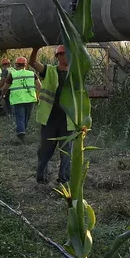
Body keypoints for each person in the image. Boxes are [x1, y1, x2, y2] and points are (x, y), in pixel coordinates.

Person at [29, 45, 77, 186]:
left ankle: (64, 180)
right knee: (45, 150)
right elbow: (32, 63)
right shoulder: (49, 70)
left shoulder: (76, 73)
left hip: (68, 120)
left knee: (66, 153)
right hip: (50, 119)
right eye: (64, 54)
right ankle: (41, 178)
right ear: (58, 56)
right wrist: (35, 48)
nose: (67, 56)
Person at [6, 56, 38, 140]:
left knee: (20, 116)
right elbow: (39, 86)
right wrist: (38, 95)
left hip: (18, 99)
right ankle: (22, 131)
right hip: (30, 99)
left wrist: (2, 94)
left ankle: (21, 132)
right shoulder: (32, 73)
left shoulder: (12, 74)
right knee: (27, 116)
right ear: (25, 65)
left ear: (16, 65)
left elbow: (6, 87)